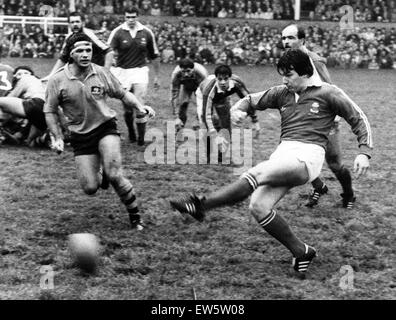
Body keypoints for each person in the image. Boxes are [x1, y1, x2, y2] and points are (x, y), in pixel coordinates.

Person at [170, 49, 372, 274]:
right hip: (283, 154)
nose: (285, 80)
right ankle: (301, 251)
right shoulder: (282, 93)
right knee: (258, 206)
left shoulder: (329, 93)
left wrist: (364, 152)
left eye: (290, 75)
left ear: (305, 72)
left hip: (308, 155)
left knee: (257, 172)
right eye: (282, 75)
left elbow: (359, 118)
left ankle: (200, 205)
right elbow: (250, 99)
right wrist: (238, 109)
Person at [43, 33, 155, 230]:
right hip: (80, 135)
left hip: (105, 128)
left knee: (115, 174)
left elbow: (122, 94)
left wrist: (139, 107)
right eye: (80, 51)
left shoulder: (101, 72)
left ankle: (135, 216)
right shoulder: (58, 79)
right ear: (70, 53)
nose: (86, 54)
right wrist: (57, 137)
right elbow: (50, 111)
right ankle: (100, 175)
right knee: (90, 188)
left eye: (88, 50)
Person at [281, 24, 356, 209]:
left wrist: (336, 116)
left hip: (325, 119)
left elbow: (331, 88)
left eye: (290, 38)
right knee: (295, 157)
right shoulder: (287, 61)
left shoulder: (314, 60)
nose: (286, 42)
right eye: (283, 38)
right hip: (302, 118)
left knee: (335, 164)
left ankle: (349, 194)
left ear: (302, 40)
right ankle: (319, 186)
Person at [107, 6, 160, 146]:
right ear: (124, 17)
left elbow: (154, 55)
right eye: (128, 17)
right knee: (128, 108)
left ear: (137, 17)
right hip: (122, 72)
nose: (130, 20)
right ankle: (131, 130)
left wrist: (157, 77)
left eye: (133, 17)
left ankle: (141, 139)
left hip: (140, 70)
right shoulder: (117, 32)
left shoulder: (146, 33)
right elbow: (108, 51)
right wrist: (107, 69)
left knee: (139, 104)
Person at [196, 64, 260, 164]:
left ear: (230, 78)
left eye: (225, 79)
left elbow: (249, 100)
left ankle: (221, 157)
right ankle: (209, 156)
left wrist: (255, 120)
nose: (223, 82)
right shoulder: (209, 90)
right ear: (216, 78)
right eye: (220, 79)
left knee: (225, 126)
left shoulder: (236, 82)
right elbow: (206, 115)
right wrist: (214, 134)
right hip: (203, 96)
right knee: (208, 124)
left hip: (222, 97)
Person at [45, 12, 114, 78]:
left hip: (96, 73)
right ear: (69, 25)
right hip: (82, 73)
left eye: (77, 22)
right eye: (72, 22)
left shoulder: (90, 35)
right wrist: (51, 75)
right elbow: (63, 59)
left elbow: (109, 52)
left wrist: (106, 73)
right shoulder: (69, 38)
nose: (75, 24)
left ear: (82, 23)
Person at [0, 66, 49, 147]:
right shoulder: (40, 84)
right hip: (44, 115)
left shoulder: (25, 80)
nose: (23, 75)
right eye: (19, 73)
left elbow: (10, 98)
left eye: (26, 73)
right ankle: (40, 139)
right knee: (30, 143)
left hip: (35, 108)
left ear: (32, 75)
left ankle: (6, 134)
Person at [170, 58, 208, 132]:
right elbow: (174, 96)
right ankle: (180, 126)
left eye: (188, 71)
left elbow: (205, 98)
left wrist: (198, 118)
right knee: (183, 103)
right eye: (183, 72)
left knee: (200, 103)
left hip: (199, 85)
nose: (186, 74)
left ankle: (199, 122)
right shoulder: (176, 74)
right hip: (186, 85)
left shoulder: (201, 74)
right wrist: (176, 117)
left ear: (193, 69)